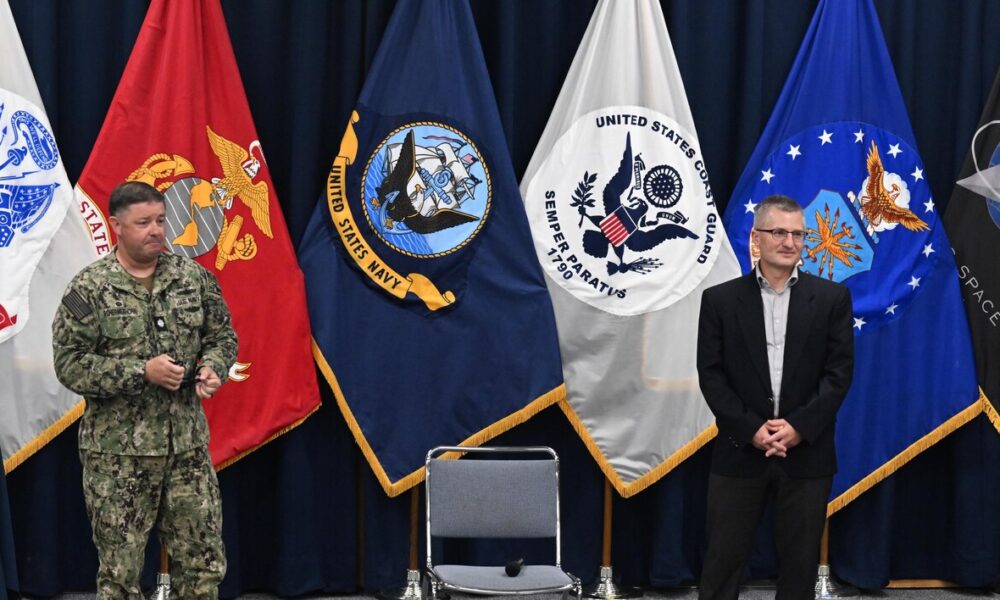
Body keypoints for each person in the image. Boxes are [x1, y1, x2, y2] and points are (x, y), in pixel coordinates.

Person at [52, 181, 237, 599]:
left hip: (186, 450)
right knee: (119, 575)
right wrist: (141, 372)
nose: (156, 230)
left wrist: (213, 366)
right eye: (143, 223)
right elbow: (69, 364)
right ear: (117, 226)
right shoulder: (89, 290)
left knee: (204, 566)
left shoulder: (192, 278)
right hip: (118, 457)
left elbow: (222, 335)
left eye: (160, 220)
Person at [696, 194, 854, 600]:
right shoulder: (720, 300)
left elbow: (839, 375)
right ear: (757, 237)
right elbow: (711, 376)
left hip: (807, 454)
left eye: (798, 233)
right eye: (779, 232)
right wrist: (751, 429)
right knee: (722, 566)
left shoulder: (833, 299)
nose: (789, 242)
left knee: (800, 570)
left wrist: (799, 427)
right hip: (739, 450)